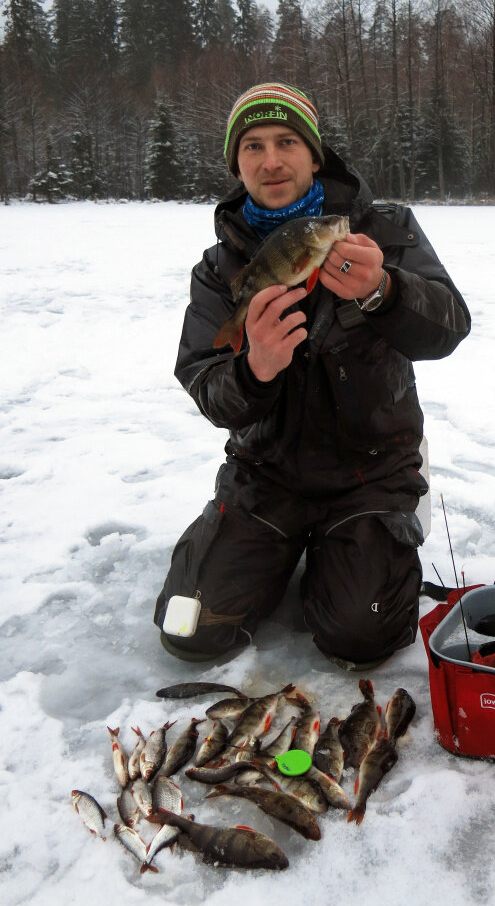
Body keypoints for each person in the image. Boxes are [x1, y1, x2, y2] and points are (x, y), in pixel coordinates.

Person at [154, 82, 471, 669]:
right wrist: (253, 370)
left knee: (360, 638)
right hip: (266, 475)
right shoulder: (220, 267)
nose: (270, 160)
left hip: (370, 472)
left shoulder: (385, 229)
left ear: (315, 154)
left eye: (286, 142)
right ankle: (270, 548)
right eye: (252, 146)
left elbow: (451, 328)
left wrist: (386, 292)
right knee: (192, 631)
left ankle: (369, 539)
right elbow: (207, 385)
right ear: (236, 163)